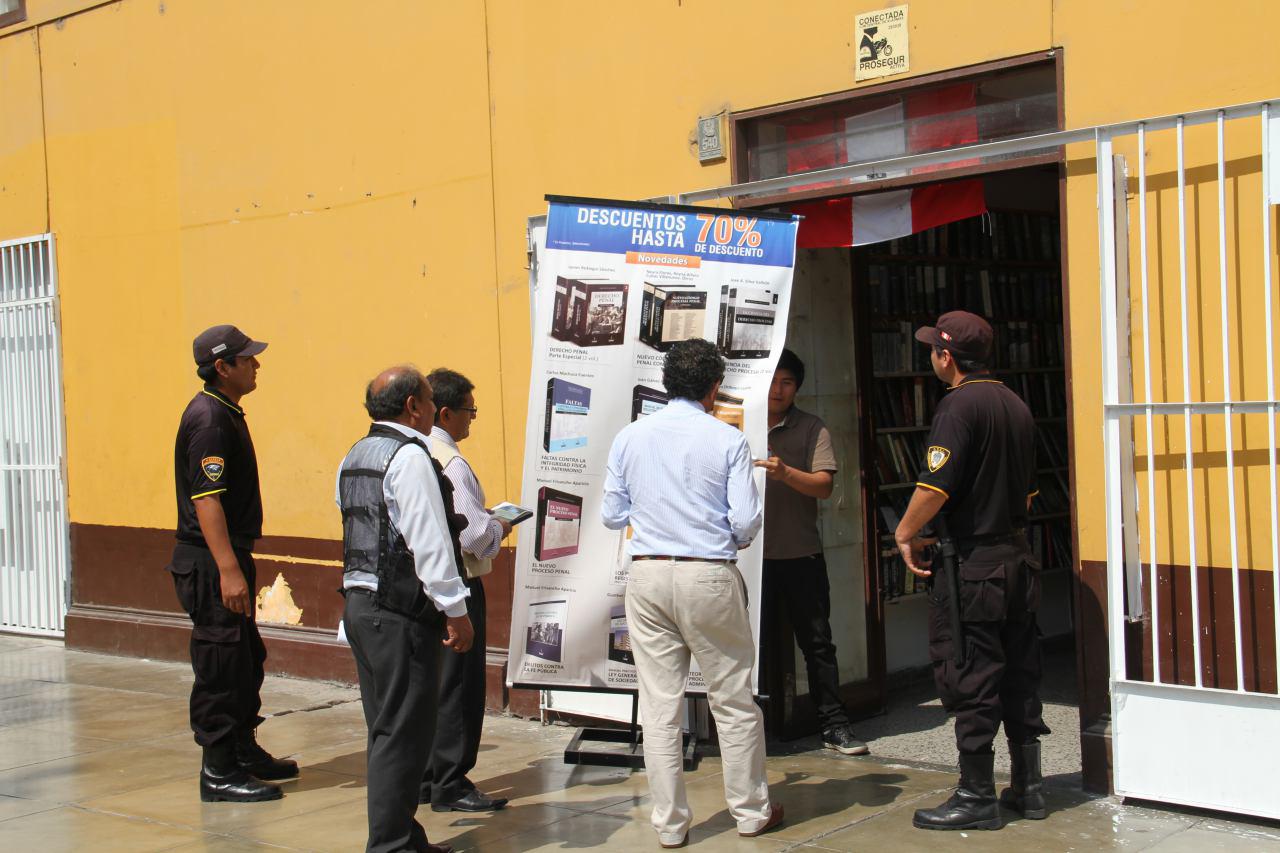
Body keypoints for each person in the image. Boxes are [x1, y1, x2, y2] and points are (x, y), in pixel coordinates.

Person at [602, 338, 783, 849]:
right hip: (708, 573)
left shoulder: (629, 437)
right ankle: (750, 812)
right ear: (714, 387)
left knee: (659, 705)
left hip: (649, 574)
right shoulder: (726, 439)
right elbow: (746, 522)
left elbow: (612, 515)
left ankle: (670, 825)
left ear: (665, 383)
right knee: (733, 699)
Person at [892, 311, 1048, 831]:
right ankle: (1030, 787)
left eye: (933, 351)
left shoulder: (958, 407)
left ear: (947, 356)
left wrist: (904, 532)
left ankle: (976, 796)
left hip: (975, 566)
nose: (932, 358)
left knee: (970, 673)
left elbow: (936, 485)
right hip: (1018, 557)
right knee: (1020, 670)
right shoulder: (1015, 404)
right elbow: (1026, 490)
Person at [337, 366, 475, 853]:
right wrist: (456, 610)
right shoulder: (409, 457)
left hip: (361, 605)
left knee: (387, 729)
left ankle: (402, 834)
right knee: (404, 734)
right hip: (399, 612)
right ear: (413, 407)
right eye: (428, 400)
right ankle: (391, 844)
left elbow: (357, 535)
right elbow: (429, 542)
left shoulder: (354, 455)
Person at [170, 324, 297, 803]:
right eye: (247, 359)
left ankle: (243, 749)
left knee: (245, 660)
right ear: (222, 367)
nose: (256, 364)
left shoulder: (226, 412)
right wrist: (227, 569)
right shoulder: (209, 420)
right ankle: (218, 771)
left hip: (228, 556)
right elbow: (207, 500)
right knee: (220, 665)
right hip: (209, 561)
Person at [754, 348, 869, 757]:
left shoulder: (811, 427)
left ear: (796, 388)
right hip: (749, 561)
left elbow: (823, 485)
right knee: (752, 647)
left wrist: (785, 472)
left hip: (801, 555)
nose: (778, 390)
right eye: (773, 380)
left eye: (787, 382)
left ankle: (835, 727)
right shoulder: (738, 425)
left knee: (818, 645)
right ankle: (750, 735)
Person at [420, 368, 512, 813]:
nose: (473, 419)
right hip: (459, 581)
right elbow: (473, 535)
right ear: (446, 412)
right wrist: (499, 525)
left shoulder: (409, 450)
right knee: (460, 684)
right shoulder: (449, 460)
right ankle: (451, 781)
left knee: (432, 683)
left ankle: (427, 776)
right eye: (470, 411)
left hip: (420, 584)